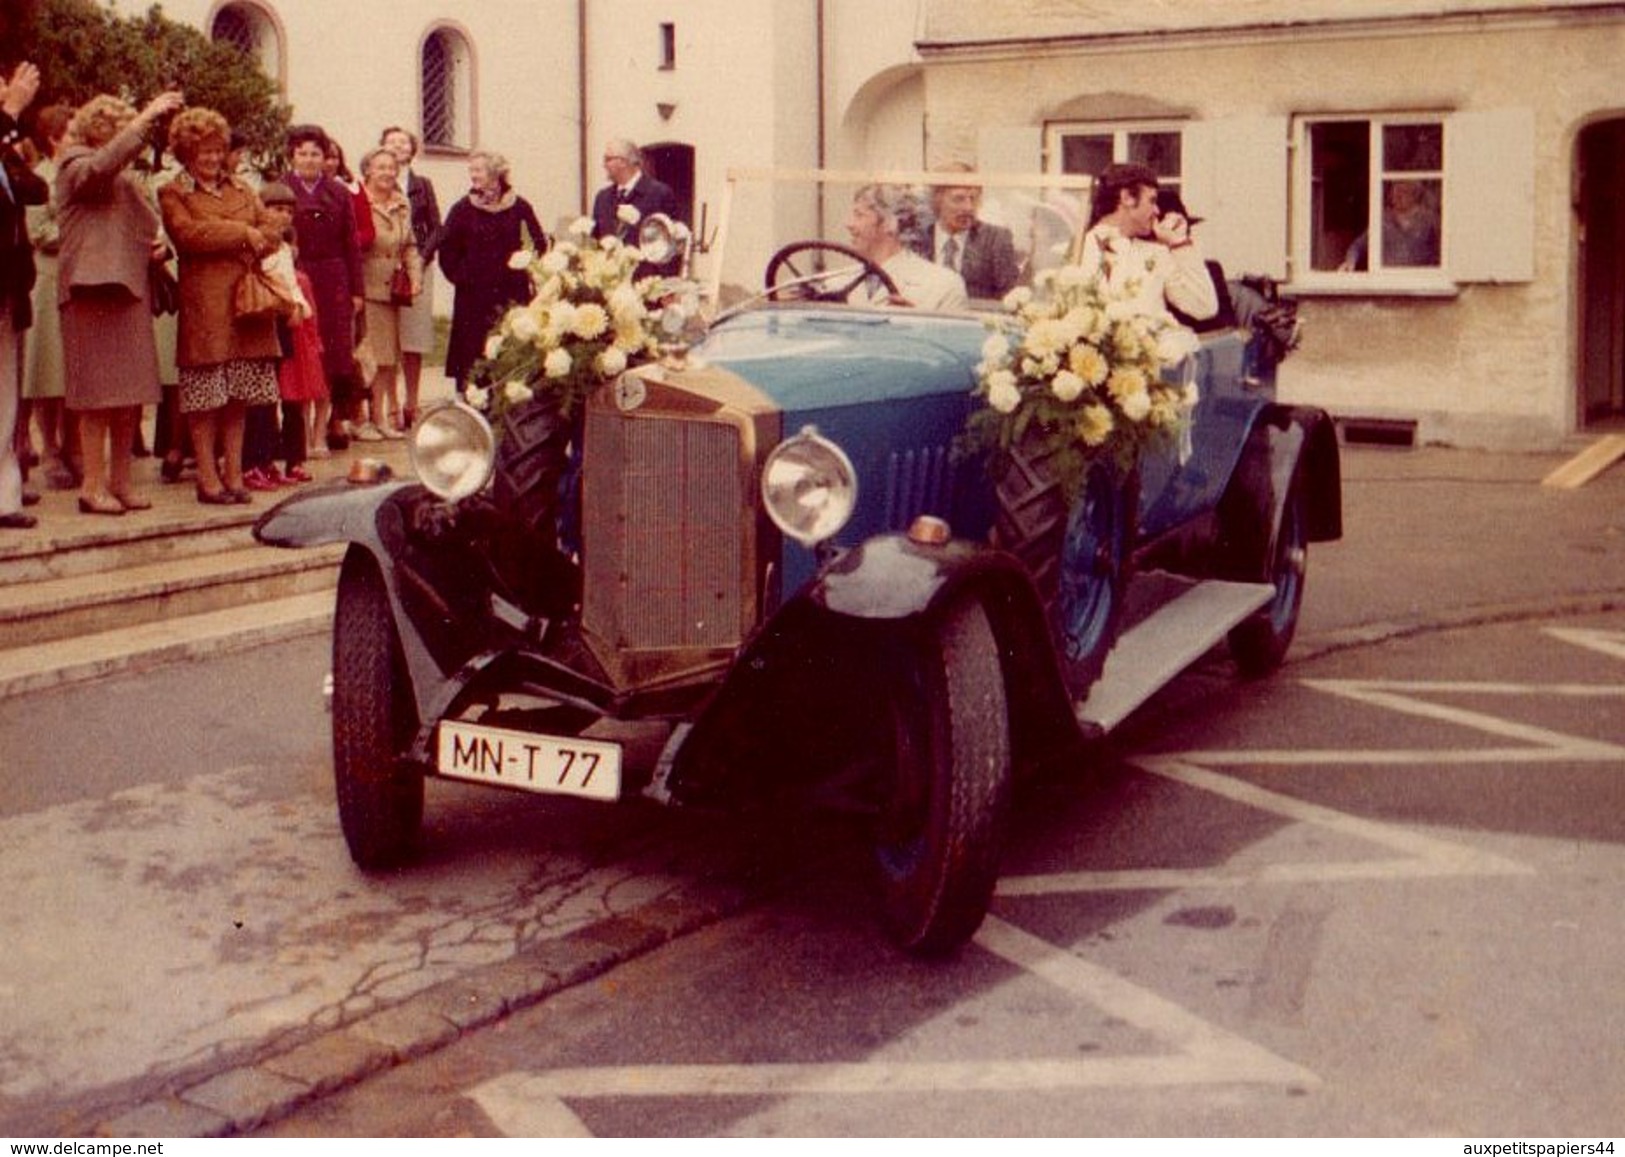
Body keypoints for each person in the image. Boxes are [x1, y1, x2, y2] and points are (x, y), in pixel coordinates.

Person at [56, 89, 184, 516]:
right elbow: (98, 169)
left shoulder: (127, 179)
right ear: (103, 129)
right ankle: (92, 486)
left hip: (129, 289)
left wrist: (160, 248)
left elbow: (148, 229)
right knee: (97, 397)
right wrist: (145, 117)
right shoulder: (74, 162)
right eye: (123, 127)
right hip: (90, 290)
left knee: (131, 393)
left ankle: (120, 482)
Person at [158, 106, 283, 505]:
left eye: (217, 150)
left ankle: (234, 472)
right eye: (202, 152)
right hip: (205, 305)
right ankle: (207, 477)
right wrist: (243, 232)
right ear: (186, 153)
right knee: (205, 396)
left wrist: (256, 233)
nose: (211, 158)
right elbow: (188, 235)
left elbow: (273, 230)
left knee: (238, 396)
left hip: (246, 305)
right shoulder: (174, 191)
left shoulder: (243, 188)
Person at [437, 150, 545, 393]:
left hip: (511, 293)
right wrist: (461, 277)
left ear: (496, 173)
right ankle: (473, 403)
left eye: (478, 170)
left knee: (508, 347)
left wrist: (526, 269)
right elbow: (447, 249)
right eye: (471, 170)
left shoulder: (519, 206)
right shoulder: (463, 208)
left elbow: (538, 243)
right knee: (473, 351)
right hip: (473, 296)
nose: (472, 175)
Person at [283, 124, 363, 450]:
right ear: (292, 156)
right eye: (302, 153)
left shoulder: (340, 192)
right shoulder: (281, 190)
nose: (309, 159)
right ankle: (297, 435)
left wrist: (356, 291)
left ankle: (322, 431)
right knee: (300, 357)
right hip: (296, 277)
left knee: (331, 357)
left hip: (333, 280)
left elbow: (351, 244)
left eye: (315, 153)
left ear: (324, 157)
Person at [0, 61, 47, 530]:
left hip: (8, 284)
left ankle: (4, 494)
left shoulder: (7, 146)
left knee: (4, 393)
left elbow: (35, 190)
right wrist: (9, 113)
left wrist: (10, 137)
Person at [241, 181, 312, 488]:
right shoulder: (260, 246)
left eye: (287, 211)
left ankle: (272, 458)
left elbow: (291, 285)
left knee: (278, 395)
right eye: (275, 209)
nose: (282, 216)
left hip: (284, 325)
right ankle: (253, 461)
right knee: (259, 398)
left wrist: (299, 306)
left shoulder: (284, 248)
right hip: (263, 321)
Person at [1081, 162, 1217, 322]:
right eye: (1152, 201)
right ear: (1127, 198)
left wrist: (1179, 243)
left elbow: (1204, 307)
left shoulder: (1156, 253)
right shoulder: (1076, 250)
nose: (1157, 211)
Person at [354, 145, 421, 440]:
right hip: (365, 288)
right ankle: (362, 419)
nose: (387, 173)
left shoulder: (400, 203)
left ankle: (380, 419)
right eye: (380, 167)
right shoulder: (356, 201)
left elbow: (409, 245)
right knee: (368, 357)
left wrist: (415, 276)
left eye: (392, 168)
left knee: (386, 358)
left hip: (392, 291)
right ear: (368, 170)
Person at [22, 103, 72, 491]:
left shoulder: (81, 174)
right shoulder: (41, 176)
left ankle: (70, 446)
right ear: (54, 138)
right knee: (45, 368)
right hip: (48, 276)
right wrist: (79, 236)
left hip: (76, 279)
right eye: (70, 132)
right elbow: (39, 231)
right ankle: (45, 446)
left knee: (70, 370)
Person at [380, 126, 440, 429]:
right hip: (385, 268)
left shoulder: (422, 185)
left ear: (412, 149)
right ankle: (390, 404)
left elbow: (436, 227)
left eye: (403, 142)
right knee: (388, 337)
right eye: (391, 141)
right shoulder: (377, 184)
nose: (397, 146)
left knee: (413, 339)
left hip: (417, 269)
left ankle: (412, 402)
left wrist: (420, 259)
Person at [845, 183, 967, 311]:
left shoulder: (945, 286)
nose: (849, 225)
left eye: (859, 215)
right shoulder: (837, 281)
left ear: (890, 224)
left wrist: (913, 323)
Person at [915, 163, 1021, 302]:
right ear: (937, 199)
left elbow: (1010, 299)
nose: (968, 207)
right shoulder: (918, 239)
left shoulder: (995, 239)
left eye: (973, 199)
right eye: (959, 199)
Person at [591, 138, 680, 275]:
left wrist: (667, 290)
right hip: (609, 286)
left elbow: (672, 248)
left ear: (623, 162)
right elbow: (596, 243)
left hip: (647, 286)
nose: (604, 165)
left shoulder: (659, 194)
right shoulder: (602, 198)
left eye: (607, 159)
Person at [1154, 188, 1237, 333]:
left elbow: (1225, 327)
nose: (1184, 237)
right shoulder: (1149, 269)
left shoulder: (1211, 269)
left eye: (1185, 232)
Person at [1340, 179, 1440, 271]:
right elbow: (1357, 246)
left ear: (1414, 195)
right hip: (1388, 279)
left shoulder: (1427, 220)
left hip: (1420, 279)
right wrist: (1350, 262)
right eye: (1395, 191)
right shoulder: (1383, 220)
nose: (1398, 195)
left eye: (1403, 191)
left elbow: (1440, 250)